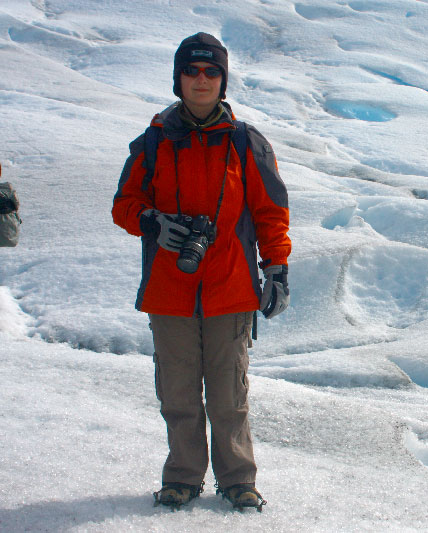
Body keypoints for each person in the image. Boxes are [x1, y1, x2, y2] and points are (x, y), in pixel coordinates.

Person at [112, 32, 291, 511]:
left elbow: (271, 210)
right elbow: (124, 205)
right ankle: (183, 477)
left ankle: (238, 481)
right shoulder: (152, 141)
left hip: (230, 290)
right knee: (178, 395)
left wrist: (276, 268)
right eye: (191, 71)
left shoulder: (243, 142)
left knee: (229, 397)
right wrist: (152, 222)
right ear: (178, 78)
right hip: (168, 292)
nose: (201, 80)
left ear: (223, 80)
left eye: (211, 72)